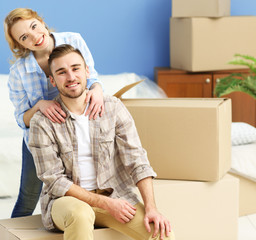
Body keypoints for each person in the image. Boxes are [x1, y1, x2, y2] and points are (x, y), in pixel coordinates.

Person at [28, 44, 175, 240]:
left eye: (75, 68)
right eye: (62, 72)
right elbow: (54, 180)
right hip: (66, 201)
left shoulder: (112, 107)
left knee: (162, 234)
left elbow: (137, 160)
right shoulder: (42, 122)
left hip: (114, 195)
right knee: (81, 215)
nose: (71, 77)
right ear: (52, 81)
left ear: (87, 71)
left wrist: (151, 208)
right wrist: (105, 204)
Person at [3, 8, 104, 218]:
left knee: (82, 192)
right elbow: (22, 119)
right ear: (20, 45)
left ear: (40, 21)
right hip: (40, 140)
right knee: (28, 196)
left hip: (79, 134)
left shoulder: (73, 40)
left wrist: (98, 90)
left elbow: (91, 77)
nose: (34, 37)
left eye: (33, 26)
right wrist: (40, 104)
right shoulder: (18, 73)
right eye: (24, 37)